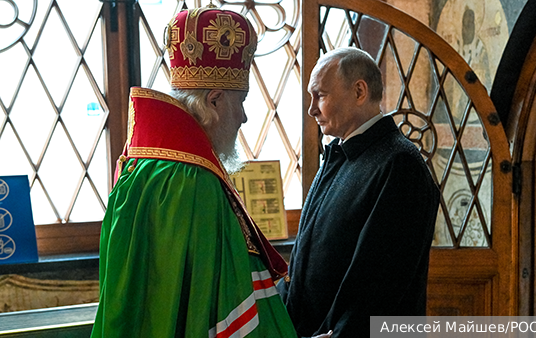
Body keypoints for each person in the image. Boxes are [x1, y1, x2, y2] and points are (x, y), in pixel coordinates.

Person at [91, 6, 300, 337]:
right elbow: (223, 303)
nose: (244, 118)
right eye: (241, 100)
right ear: (215, 100)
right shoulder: (194, 180)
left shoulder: (138, 165)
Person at [277, 47, 440, 338]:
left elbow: (380, 281)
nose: (311, 108)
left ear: (359, 91)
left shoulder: (399, 165)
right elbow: (307, 257)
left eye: (321, 95)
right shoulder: (340, 155)